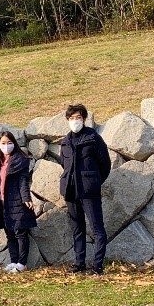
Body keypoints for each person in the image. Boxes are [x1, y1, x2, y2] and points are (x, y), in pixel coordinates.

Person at [59, 104, 111, 275]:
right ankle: (79, 262)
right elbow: (64, 164)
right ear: (68, 120)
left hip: (89, 191)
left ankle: (97, 265)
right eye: (72, 118)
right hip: (71, 191)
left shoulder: (93, 138)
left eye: (78, 117)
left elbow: (105, 164)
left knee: (97, 228)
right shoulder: (65, 142)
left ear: (84, 119)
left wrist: (93, 181)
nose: (75, 121)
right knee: (77, 228)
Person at [0, 131, 37, 273]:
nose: (6, 146)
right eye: (3, 143)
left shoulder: (20, 160)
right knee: (9, 233)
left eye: (9, 143)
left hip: (16, 201)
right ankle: (13, 261)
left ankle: (22, 263)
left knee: (20, 233)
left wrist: (26, 198)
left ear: (14, 143)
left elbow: (23, 181)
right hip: (2, 203)